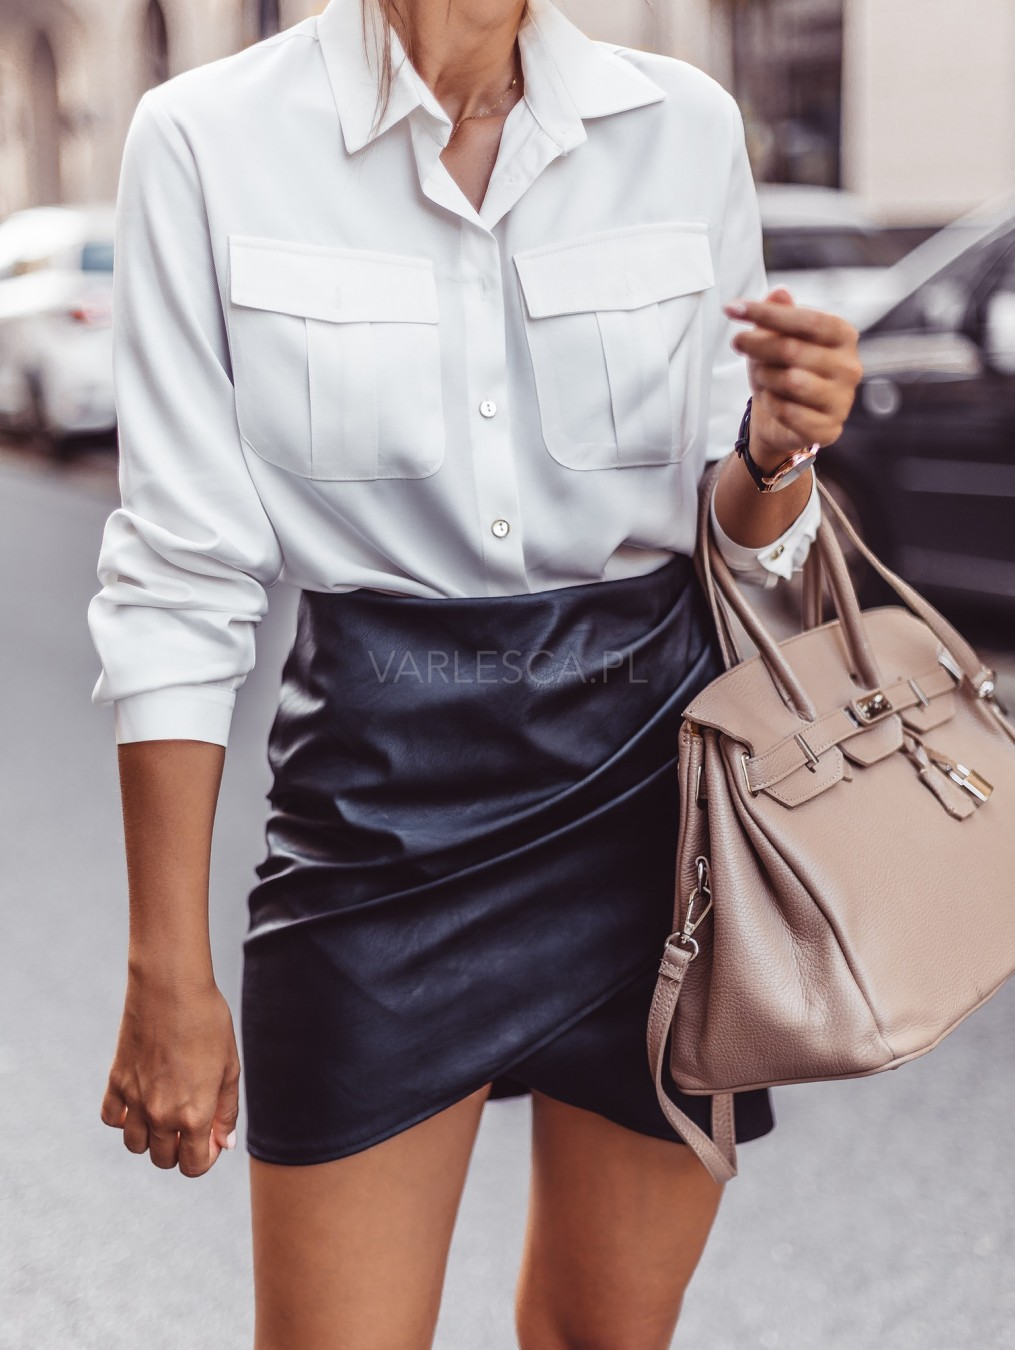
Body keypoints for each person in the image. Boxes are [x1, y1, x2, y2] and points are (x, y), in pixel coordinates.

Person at [87, 1, 862, 1346]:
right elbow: (177, 576)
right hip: (378, 814)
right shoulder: (206, 141)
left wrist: (782, 453)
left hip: (654, 813)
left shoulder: (680, 130)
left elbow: (733, 539)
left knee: (602, 1335)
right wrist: (168, 963)